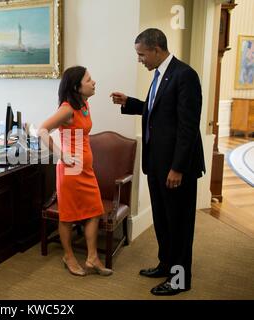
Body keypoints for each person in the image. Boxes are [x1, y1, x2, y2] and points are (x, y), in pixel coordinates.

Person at [110, 28, 205, 295]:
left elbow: (187, 127)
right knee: (163, 221)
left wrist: (177, 168)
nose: (139, 59)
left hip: (176, 168)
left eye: (141, 54)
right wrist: (130, 103)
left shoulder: (185, 75)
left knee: (179, 225)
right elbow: (160, 111)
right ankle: (166, 265)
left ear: (156, 49)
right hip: (157, 164)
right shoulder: (160, 75)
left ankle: (179, 279)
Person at [38, 66, 112, 277]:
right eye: (89, 80)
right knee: (68, 217)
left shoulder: (84, 104)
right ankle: (68, 256)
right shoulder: (67, 108)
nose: (94, 82)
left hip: (85, 169)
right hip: (71, 171)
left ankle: (92, 258)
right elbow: (42, 129)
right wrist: (61, 155)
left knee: (94, 211)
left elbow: (79, 136)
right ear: (76, 87)